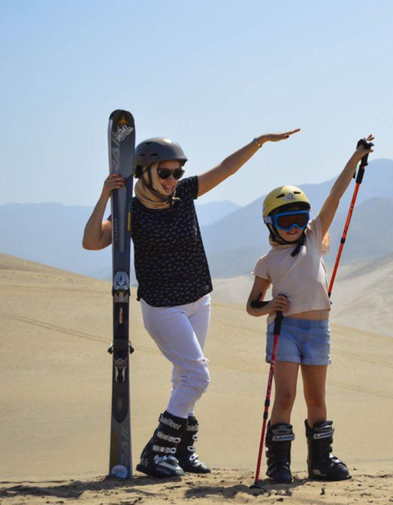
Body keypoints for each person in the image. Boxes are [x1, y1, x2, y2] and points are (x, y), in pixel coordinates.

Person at [83, 129, 299, 478]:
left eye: (177, 172)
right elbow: (92, 242)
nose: (172, 180)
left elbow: (226, 168)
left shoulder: (185, 194)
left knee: (184, 376)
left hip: (200, 299)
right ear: (145, 172)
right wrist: (105, 196)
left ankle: (182, 451)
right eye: (165, 173)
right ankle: (158, 450)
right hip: (163, 307)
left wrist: (258, 141)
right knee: (198, 376)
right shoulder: (130, 210)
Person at [246, 135, 374, 483]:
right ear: (270, 222)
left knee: (316, 397)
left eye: (299, 218)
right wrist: (270, 305)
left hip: (318, 330)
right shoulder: (267, 261)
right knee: (285, 396)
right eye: (285, 220)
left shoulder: (315, 234)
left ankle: (321, 462)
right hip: (285, 331)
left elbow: (336, 195)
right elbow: (252, 306)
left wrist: (356, 157)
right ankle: (279, 465)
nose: (294, 227)